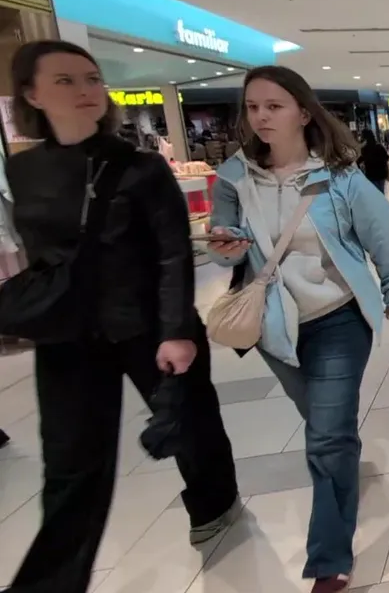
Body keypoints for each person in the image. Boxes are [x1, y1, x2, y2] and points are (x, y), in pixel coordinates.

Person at [6, 40, 239, 593]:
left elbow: (171, 253)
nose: (86, 90)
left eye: (92, 79)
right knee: (71, 463)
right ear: (32, 94)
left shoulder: (140, 167)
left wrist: (177, 330)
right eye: (65, 81)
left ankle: (214, 502)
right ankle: (49, 582)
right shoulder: (24, 170)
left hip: (148, 324)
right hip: (68, 333)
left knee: (191, 427)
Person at [206, 65, 389, 593]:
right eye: (253, 107)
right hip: (273, 324)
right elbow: (225, 247)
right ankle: (342, 459)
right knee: (326, 424)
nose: (261, 116)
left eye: (273, 106)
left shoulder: (338, 177)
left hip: (338, 318)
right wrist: (224, 246)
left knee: (325, 435)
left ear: (302, 112)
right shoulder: (233, 177)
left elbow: (383, 237)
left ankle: (329, 558)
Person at [358, 128, 389, 193]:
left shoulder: (364, 149)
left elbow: (358, 161)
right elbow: (386, 157)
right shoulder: (379, 146)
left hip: (371, 174)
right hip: (381, 174)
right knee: (381, 191)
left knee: (375, 192)